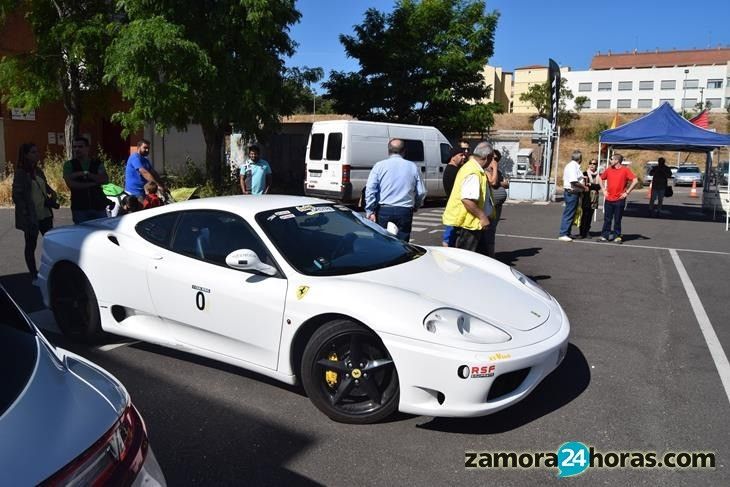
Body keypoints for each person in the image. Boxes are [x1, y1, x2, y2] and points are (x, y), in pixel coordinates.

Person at [365, 138, 427, 241]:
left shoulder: (379, 166)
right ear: (404, 151)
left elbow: (370, 189)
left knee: (382, 241)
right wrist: (416, 205)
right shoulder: (413, 166)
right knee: (402, 242)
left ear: (388, 150)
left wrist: (370, 210)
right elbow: (422, 191)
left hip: (384, 210)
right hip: (404, 210)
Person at [13, 143, 57, 281]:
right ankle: (33, 273)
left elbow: (44, 185)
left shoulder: (38, 171)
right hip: (31, 215)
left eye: (37, 151)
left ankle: (52, 271)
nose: (37, 154)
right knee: (31, 245)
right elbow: (17, 195)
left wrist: (52, 192)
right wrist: (25, 214)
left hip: (45, 213)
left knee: (51, 243)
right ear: (25, 155)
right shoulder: (20, 173)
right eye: (33, 152)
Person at [442, 141, 494, 254]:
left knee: (480, 258)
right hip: (468, 225)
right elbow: (467, 200)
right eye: (492, 158)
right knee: (467, 260)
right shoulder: (473, 172)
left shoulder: (472, 168)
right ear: (487, 157)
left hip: (471, 224)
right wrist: (482, 216)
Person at [63, 136, 109, 223]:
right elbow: (71, 184)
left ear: (87, 148)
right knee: (82, 234)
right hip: (79, 207)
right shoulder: (69, 165)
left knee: (101, 233)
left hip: (98, 205)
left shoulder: (97, 163)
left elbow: (104, 180)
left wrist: (87, 174)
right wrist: (91, 181)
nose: (77, 149)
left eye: (80, 147)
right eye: (75, 147)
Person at [599, 153, 638, 244]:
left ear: (617, 160)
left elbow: (635, 180)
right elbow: (600, 178)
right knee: (607, 219)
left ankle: (617, 236)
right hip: (609, 199)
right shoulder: (609, 170)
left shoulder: (625, 170)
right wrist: (603, 190)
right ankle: (605, 236)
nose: (610, 161)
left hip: (619, 200)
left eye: (612, 159)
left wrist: (627, 192)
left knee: (617, 219)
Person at [482, 149, 509, 257]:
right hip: (489, 204)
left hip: (498, 205)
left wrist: (500, 182)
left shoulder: (498, 172)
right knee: (488, 230)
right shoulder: (485, 170)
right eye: (493, 158)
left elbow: (506, 184)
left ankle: (490, 253)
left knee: (492, 229)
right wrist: (495, 168)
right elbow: (493, 182)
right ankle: (488, 254)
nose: (495, 161)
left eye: (497, 159)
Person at [558, 150, 589, 241]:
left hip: (573, 193)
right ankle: (563, 233)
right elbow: (573, 181)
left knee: (571, 213)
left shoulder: (574, 166)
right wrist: (584, 187)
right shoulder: (572, 166)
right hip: (571, 193)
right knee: (569, 213)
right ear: (580, 158)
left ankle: (567, 232)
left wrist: (582, 178)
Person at [441, 147, 467, 246]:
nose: (463, 157)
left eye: (464, 155)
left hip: (454, 206)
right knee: (449, 236)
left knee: (452, 235)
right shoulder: (453, 170)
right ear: (453, 157)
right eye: (461, 155)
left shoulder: (454, 169)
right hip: (454, 207)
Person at [577, 159, 601, 239]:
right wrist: (593, 185)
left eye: (594, 164)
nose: (592, 165)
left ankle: (587, 232)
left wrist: (591, 185)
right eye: (590, 163)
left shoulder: (599, 175)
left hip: (595, 198)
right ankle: (581, 233)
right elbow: (585, 185)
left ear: (596, 165)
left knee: (590, 215)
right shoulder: (585, 173)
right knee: (584, 215)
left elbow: (599, 186)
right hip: (586, 197)